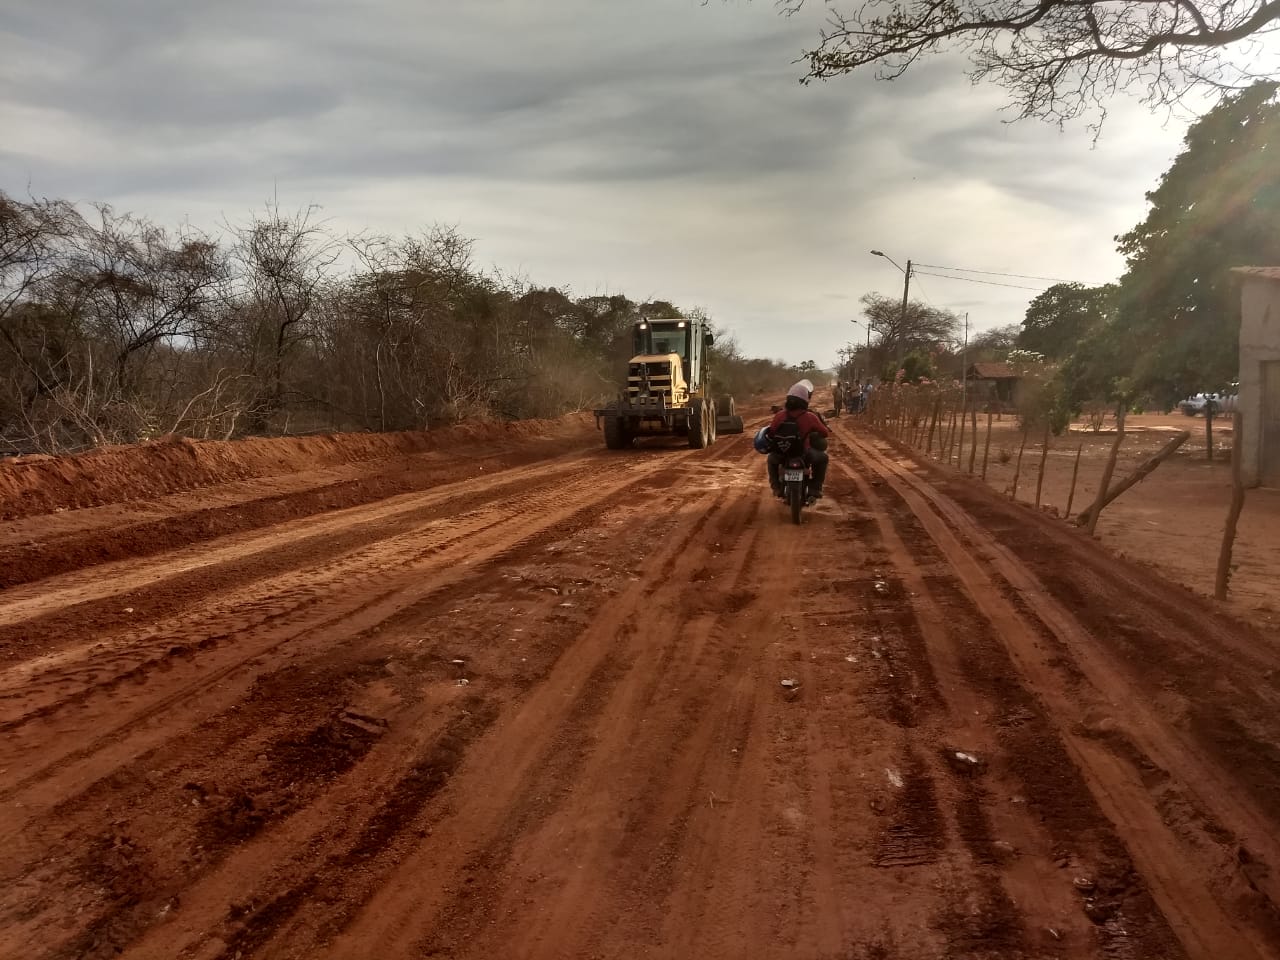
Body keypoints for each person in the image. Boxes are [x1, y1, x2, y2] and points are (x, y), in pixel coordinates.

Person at [766, 379, 831, 499]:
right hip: (804, 454)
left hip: (783, 453)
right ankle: (815, 488)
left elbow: (771, 433)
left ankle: (776, 487)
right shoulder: (810, 416)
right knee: (823, 458)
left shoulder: (780, 415)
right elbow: (825, 433)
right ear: (805, 400)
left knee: (771, 459)